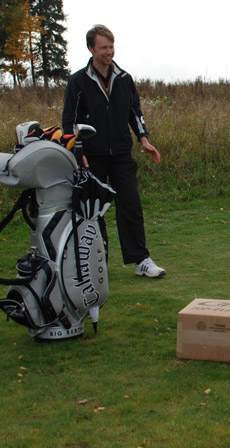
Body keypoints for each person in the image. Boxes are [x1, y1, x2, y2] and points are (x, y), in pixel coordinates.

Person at [63, 24, 165, 279]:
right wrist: (77, 150)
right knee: (93, 211)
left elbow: (135, 112)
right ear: (91, 49)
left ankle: (140, 260)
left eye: (111, 47)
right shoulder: (78, 81)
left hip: (121, 153)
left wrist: (143, 138)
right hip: (91, 157)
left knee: (130, 205)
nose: (109, 52)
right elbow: (69, 120)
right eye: (103, 48)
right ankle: (97, 264)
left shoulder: (124, 78)